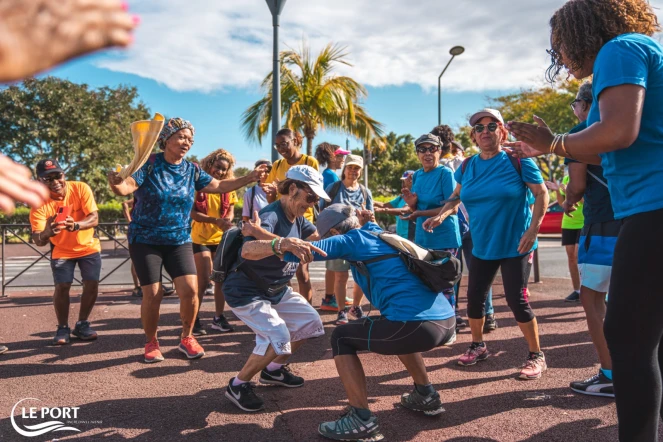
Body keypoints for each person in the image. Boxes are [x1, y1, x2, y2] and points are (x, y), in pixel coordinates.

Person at [506, 1, 663, 436]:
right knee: (648, 336)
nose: (558, 55)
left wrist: (555, 139)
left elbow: (617, 132)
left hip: (653, 209)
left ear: (581, 33)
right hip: (644, 209)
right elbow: (603, 147)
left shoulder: (620, 49)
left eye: (559, 45)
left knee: (628, 337)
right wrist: (553, 146)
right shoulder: (633, 50)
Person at [279, 204, 455, 441]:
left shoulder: (349, 240)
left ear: (331, 233)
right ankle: (426, 395)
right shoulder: (379, 233)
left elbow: (293, 253)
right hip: (445, 321)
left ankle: (361, 420)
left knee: (341, 337)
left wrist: (264, 239)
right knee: (391, 322)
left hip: (416, 327)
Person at [107, 117, 268, 363]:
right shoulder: (148, 164)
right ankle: (151, 342)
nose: (187, 143)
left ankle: (187, 337)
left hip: (179, 238)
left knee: (191, 290)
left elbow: (220, 185)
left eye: (190, 139)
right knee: (153, 292)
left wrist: (250, 177)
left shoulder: (191, 169)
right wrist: (115, 183)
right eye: (182, 137)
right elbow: (126, 187)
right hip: (145, 239)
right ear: (166, 139)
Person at [425, 108, 549, 379]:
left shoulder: (518, 160)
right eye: (479, 128)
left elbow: (541, 194)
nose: (485, 132)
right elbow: (456, 197)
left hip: (516, 243)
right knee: (474, 300)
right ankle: (478, 346)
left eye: (492, 126)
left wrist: (533, 229)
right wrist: (440, 215)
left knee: (517, 301)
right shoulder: (468, 166)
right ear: (473, 136)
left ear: (502, 132)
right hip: (482, 245)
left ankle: (536, 355)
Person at [223, 165, 326, 413]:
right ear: (293, 189)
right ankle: (237, 385)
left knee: (309, 323)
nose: (311, 204)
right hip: (247, 291)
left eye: (316, 200)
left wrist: (348, 226)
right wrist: (280, 244)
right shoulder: (271, 215)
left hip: (276, 289)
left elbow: (319, 239)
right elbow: (247, 251)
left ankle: (273, 370)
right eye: (310, 197)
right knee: (278, 334)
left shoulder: (299, 218)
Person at [556, 81, 616, 398]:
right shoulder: (627, 123)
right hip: (640, 220)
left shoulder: (582, 131)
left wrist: (568, 200)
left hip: (603, 223)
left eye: (575, 104)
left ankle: (610, 374)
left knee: (592, 299)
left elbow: (577, 185)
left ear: (583, 103)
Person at [29, 159, 101, 345]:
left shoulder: (80, 188)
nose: (55, 181)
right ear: (39, 181)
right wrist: (46, 232)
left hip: (88, 247)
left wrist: (76, 225)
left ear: (64, 175)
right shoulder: (38, 203)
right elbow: (38, 240)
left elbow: (94, 218)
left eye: (58, 176)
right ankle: (62, 327)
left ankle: (82, 324)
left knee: (91, 284)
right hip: (62, 250)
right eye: (48, 178)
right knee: (62, 286)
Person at [402, 133, 462, 333]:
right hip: (423, 237)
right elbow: (414, 209)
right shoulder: (417, 175)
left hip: (445, 236)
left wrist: (420, 212)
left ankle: (449, 328)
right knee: (426, 282)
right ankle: (432, 326)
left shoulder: (445, 173)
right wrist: (412, 206)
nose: (427, 153)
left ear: (440, 151)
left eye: (432, 149)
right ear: (417, 153)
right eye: (423, 149)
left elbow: (452, 206)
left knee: (445, 284)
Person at [262, 128, 320, 303]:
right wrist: (271, 191)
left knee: (302, 271)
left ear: (295, 141)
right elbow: (271, 198)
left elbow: (314, 191)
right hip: (282, 218)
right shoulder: (278, 165)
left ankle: (307, 311)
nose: (281, 148)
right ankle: (286, 307)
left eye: (284, 144)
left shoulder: (309, 161)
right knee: (282, 270)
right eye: (277, 145)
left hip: (303, 219)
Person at [320, 154, 374, 324]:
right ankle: (341, 311)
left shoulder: (366, 192)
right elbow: (322, 213)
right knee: (340, 277)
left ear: (361, 170)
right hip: (338, 240)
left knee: (362, 276)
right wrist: (329, 231)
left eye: (357, 168)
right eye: (350, 167)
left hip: (360, 240)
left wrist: (368, 217)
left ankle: (356, 307)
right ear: (344, 169)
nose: (353, 171)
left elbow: (373, 219)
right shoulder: (333, 188)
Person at [190, 149, 239, 335]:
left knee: (220, 280)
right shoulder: (198, 185)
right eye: (217, 167)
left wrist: (227, 220)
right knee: (203, 282)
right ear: (209, 164)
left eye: (224, 170)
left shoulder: (227, 187)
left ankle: (218, 318)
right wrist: (214, 221)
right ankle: (193, 318)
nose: (220, 172)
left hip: (221, 239)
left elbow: (232, 210)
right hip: (200, 238)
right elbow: (193, 213)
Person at [315, 142, 350, 313]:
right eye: (340, 155)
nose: (343, 159)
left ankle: (331, 296)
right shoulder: (332, 177)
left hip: (330, 225)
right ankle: (332, 296)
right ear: (331, 157)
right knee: (336, 265)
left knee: (331, 264)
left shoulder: (328, 174)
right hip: (336, 226)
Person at [545, 172, 584, 302]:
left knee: (579, 255)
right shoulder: (566, 179)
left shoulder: (583, 178)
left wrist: (566, 189)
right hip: (568, 223)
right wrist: (557, 191)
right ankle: (577, 290)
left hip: (584, 222)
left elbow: (583, 200)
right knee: (571, 256)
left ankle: (587, 290)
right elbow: (563, 204)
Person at [374, 170, 415, 240]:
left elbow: (404, 210)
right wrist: (372, 202)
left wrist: (382, 210)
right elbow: (385, 205)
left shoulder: (414, 196)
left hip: (410, 236)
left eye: (406, 181)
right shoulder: (401, 197)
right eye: (403, 181)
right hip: (401, 236)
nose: (403, 184)